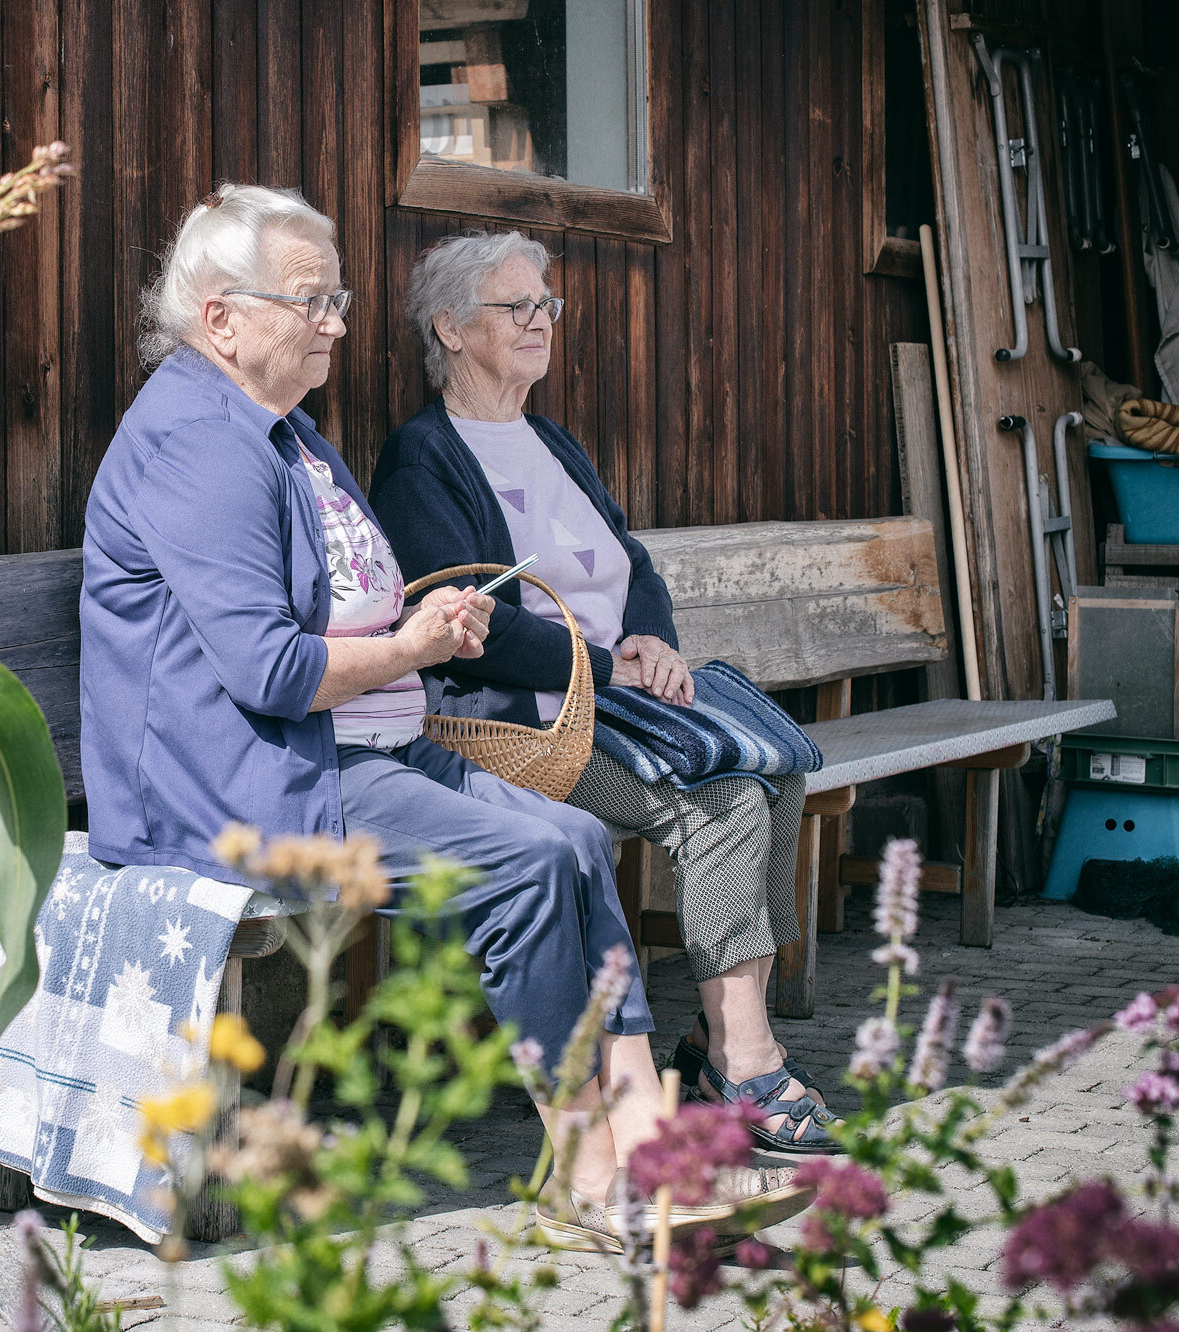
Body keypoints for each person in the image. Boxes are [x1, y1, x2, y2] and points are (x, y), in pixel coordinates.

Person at [78, 184, 812, 1248]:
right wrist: (413, 646)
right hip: (249, 784)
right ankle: (594, 1168)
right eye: (307, 301)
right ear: (219, 318)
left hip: (355, 749)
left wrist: (425, 622)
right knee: (524, 861)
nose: (333, 321)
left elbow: (351, 604)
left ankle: (645, 1138)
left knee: (566, 835)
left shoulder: (285, 432)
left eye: (336, 298)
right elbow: (268, 671)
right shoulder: (198, 439)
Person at [370, 228, 840, 1154]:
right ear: (451, 329)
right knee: (721, 804)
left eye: (546, 304)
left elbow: (631, 560)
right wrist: (589, 661)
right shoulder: (422, 458)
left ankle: (716, 1043)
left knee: (773, 770)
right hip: (515, 727)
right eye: (517, 307)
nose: (541, 321)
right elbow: (462, 628)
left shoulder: (550, 439)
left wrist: (652, 640)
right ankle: (746, 1064)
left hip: (610, 704)